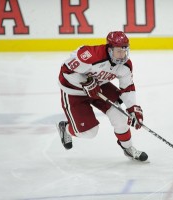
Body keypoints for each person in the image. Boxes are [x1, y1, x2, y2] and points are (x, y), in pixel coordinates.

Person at [56, 31, 148, 162]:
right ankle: (65, 128)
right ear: (109, 49)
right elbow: (66, 71)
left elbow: (127, 87)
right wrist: (84, 82)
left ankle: (128, 148)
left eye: (124, 51)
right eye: (118, 51)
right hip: (74, 90)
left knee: (121, 117)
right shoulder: (90, 55)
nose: (122, 55)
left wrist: (132, 108)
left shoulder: (125, 66)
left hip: (99, 87)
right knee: (89, 133)